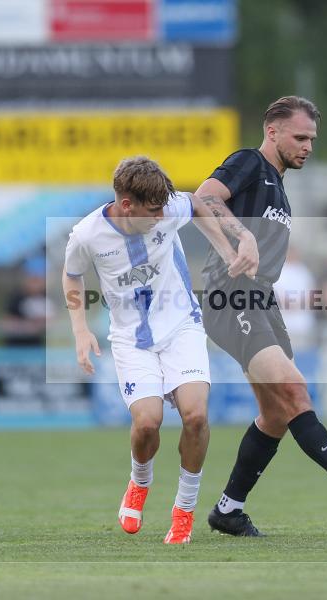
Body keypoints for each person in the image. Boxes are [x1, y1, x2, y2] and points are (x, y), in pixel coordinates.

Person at [195, 96, 327, 537]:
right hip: (232, 297)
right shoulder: (249, 162)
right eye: (300, 137)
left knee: (276, 413)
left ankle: (228, 510)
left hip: (261, 302)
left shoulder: (278, 183)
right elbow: (204, 198)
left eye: (312, 139)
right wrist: (241, 237)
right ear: (272, 131)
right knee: (293, 391)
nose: (308, 146)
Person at [63, 156, 255, 544]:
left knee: (196, 416)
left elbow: (198, 203)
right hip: (132, 341)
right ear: (126, 204)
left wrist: (224, 247)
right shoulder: (86, 235)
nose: (161, 217)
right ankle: (139, 481)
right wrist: (81, 330)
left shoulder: (166, 208)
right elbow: (72, 273)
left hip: (182, 326)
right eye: (153, 211)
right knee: (147, 422)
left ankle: (183, 510)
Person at [3, 256, 55, 347]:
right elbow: (5, 322)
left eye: (40, 279)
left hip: (36, 346)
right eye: (34, 279)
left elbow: (52, 321)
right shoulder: (16, 297)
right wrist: (26, 326)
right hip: (14, 346)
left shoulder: (46, 297)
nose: (36, 283)